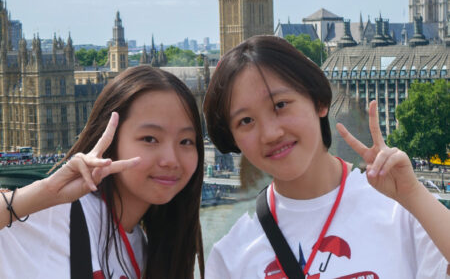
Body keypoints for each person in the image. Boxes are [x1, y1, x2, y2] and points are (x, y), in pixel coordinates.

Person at [203, 35, 449, 278]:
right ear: (234, 138)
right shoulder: (230, 258)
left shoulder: (401, 211)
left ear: (319, 102)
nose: (270, 133)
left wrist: (413, 195)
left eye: (280, 105)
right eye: (246, 121)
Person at [0, 65, 205, 279]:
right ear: (110, 139)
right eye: (150, 139)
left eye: (185, 141)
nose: (170, 160)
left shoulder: (150, 253)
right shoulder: (52, 216)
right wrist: (45, 192)